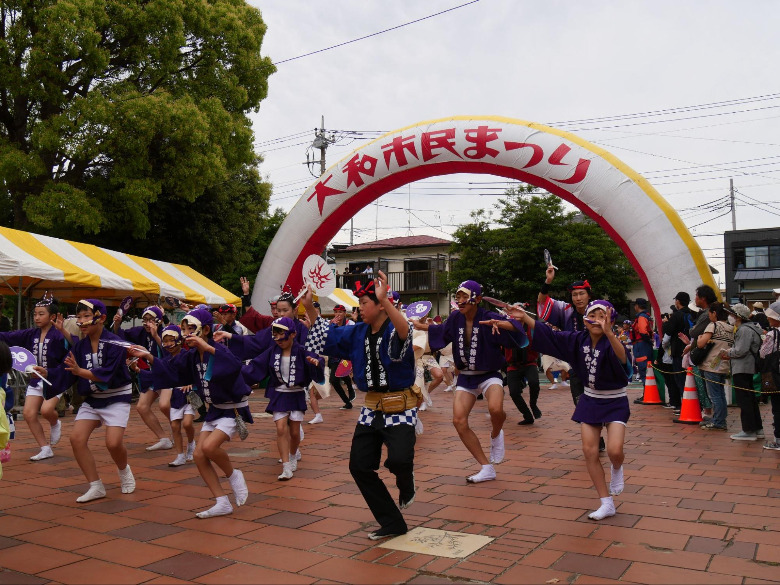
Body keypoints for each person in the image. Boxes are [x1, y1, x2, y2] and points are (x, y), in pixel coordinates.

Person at [301, 272, 420, 541]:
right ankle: (392, 522)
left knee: (399, 460)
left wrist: (385, 299)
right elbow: (325, 337)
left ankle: (406, 480)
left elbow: (405, 332)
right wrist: (309, 305)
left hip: (400, 405)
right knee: (359, 466)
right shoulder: (356, 332)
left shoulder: (394, 326)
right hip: (370, 408)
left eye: (364, 303)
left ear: (379, 305)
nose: (359, 309)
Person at [508, 300, 632, 521]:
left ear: (610, 319)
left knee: (614, 450)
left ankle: (616, 467)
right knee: (590, 452)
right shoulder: (577, 340)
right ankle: (606, 502)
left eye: (602, 316)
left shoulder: (614, 340)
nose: (596, 320)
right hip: (591, 400)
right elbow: (550, 336)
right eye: (592, 315)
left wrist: (610, 333)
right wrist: (525, 317)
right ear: (585, 320)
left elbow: (623, 359)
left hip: (615, 401)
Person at [132, 308, 252, 518]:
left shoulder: (218, 349)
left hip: (232, 410)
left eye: (191, 329)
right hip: (215, 411)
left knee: (209, 447)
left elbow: (234, 366)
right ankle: (222, 501)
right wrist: (149, 356)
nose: (186, 334)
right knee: (198, 455)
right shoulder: (190, 356)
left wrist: (208, 347)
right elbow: (171, 371)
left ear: (205, 330)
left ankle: (234, 475)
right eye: (184, 329)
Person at [415, 280, 527, 483]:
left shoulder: (488, 316)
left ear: (476, 299)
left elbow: (517, 327)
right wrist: (421, 326)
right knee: (458, 421)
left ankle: (495, 433)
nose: (460, 301)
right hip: (466, 377)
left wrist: (500, 323)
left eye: (464, 296)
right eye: (458, 297)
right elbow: (441, 332)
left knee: (495, 410)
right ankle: (486, 467)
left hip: (489, 374)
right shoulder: (456, 318)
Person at [36, 299, 135, 502]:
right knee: (77, 439)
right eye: (79, 317)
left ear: (102, 318)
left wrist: (80, 371)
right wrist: (47, 372)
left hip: (116, 396)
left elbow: (106, 373)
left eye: (86, 316)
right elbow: (67, 370)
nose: (81, 321)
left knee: (113, 443)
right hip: (92, 398)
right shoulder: (80, 346)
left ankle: (124, 470)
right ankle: (95, 485)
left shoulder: (115, 344)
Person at [242, 317, 324, 480]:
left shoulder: (301, 351)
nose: (278, 339)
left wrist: (316, 363)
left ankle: (293, 455)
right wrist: (234, 370)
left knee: (294, 433)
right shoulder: (272, 351)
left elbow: (317, 360)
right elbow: (254, 367)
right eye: (275, 334)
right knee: (280, 429)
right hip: (279, 394)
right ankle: (286, 466)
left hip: (296, 394)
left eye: (282, 334)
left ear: (293, 334)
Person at [0, 295, 75, 460]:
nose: (36, 317)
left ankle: (55, 422)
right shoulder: (31, 333)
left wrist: (63, 330)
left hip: (55, 379)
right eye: (35, 314)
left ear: (53, 317)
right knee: (28, 413)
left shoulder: (59, 335)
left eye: (41, 314)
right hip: (36, 379)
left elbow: (74, 347)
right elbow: (9, 337)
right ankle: (45, 448)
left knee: (47, 410)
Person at [113, 306, 172, 451]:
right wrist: (116, 324)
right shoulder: (140, 332)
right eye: (144, 320)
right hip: (152, 375)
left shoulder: (167, 333)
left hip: (168, 374)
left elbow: (170, 353)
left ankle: (182, 432)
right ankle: (164, 438)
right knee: (142, 407)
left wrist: (156, 336)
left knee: (164, 405)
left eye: (150, 319)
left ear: (158, 320)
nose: (147, 323)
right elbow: (121, 337)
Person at [720, 303, 764, 441]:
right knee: (750, 399)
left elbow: (740, 350)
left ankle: (748, 430)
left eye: (732, 315)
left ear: (738, 317)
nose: (730, 317)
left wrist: (728, 352)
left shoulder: (744, 330)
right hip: (749, 367)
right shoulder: (753, 328)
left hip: (742, 367)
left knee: (744, 399)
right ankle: (757, 428)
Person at [158, 325, 197, 467]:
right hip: (176, 395)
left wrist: (193, 384)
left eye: (171, 340)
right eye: (165, 341)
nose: (168, 344)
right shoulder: (166, 360)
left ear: (179, 340)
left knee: (187, 423)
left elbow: (197, 371)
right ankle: (180, 455)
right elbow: (159, 373)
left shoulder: (188, 354)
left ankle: (192, 443)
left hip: (191, 394)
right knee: (175, 426)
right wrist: (138, 369)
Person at [696, 302, 734, 431]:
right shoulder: (730, 328)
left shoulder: (713, 325)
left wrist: (700, 337)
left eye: (710, 313)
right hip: (723, 365)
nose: (709, 315)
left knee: (714, 395)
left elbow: (701, 344)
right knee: (720, 394)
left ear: (715, 313)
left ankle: (719, 421)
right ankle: (720, 418)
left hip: (711, 365)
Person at [662, 292, 696, 413]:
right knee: (692, 379)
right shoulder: (692, 314)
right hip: (692, 349)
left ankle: (685, 406)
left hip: (679, 351)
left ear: (677, 301)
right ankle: (695, 405)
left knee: (680, 379)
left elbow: (668, 331)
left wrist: (666, 322)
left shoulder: (677, 315)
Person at [505, 322, 541, 425]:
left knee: (534, 383)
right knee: (514, 392)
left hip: (529, 363)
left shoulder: (531, 328)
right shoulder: (506, 327)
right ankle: (527, 416)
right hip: (512, 365)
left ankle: (533, 404)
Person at [759, 301, 780, 450]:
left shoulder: (773, 334)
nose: (768, 319)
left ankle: (778, 440)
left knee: (778, 408)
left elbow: (763, 353)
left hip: (776, 374)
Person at [630, 298, 653, 385]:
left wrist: (647, 341)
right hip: (644, 345)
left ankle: (646, 393)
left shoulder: (641, 317)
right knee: (646, 368)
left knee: (643, 368)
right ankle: (647, 392)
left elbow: (643, 331)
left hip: (641, 345)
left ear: (637, 306)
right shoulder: (647, 316)